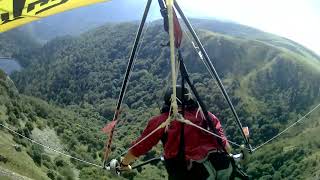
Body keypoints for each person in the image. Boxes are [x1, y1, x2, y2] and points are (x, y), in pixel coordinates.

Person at [119, 85, 233, 179]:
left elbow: (141, 146)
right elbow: (225, 146)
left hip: (193, 173)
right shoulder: (206, 115)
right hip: (222, 166)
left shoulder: (163, 120)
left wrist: (124, 164)